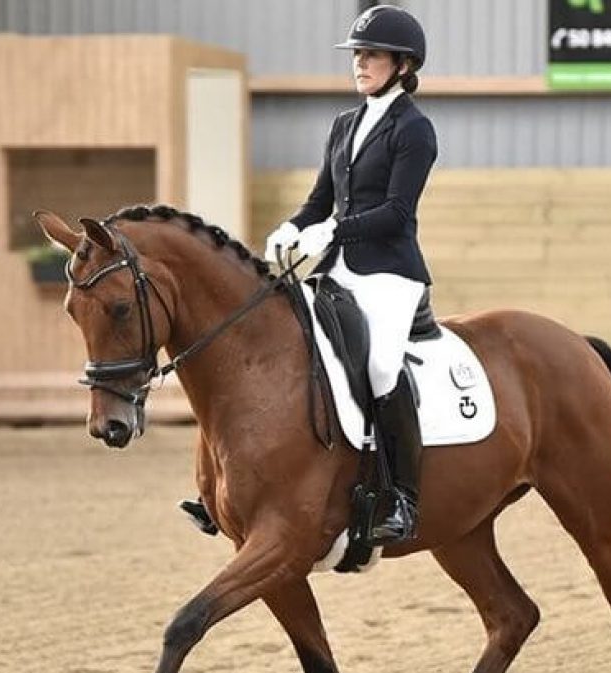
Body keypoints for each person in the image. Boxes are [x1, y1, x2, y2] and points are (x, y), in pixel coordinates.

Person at [182, 4, 437, 544]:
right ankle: (228, 489)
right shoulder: (345, 124)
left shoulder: (415, 129)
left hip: (390, 274)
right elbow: (321, 199)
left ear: (403, 63)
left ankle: (401, 498)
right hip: (338, 270)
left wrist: (333, 233)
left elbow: (397, 213)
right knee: (281, 349)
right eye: (357, 55)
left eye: (371, 55)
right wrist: (293, 226)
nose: (360, 63)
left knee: (383, 370)